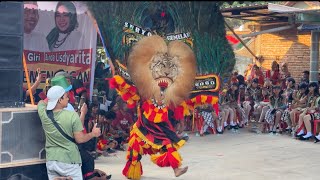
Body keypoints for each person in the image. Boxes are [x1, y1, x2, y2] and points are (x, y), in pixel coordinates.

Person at [37, 86, 101, 179]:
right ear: (59, 100)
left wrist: (51, 98)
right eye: (66, 96)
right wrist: (93, 134)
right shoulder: (72, 116)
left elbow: (41, 102)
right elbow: (80, 139)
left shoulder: (44, 114)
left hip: (52, 161)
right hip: (69, 161)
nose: (68, 98)